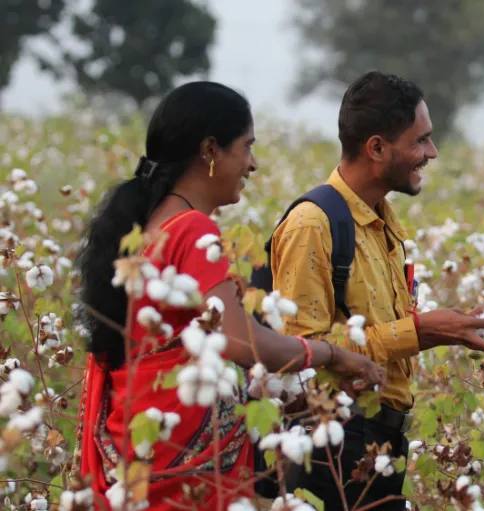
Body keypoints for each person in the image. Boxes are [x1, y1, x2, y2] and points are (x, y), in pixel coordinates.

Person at [76, 81, 385, 511]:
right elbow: (241, 342)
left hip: (142, 453)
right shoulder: (192, 229)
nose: (252, 164)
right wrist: (330, 354)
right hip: (181, 471)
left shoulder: (151, 227)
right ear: (210, 150)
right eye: (246, 147)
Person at [270, 71, 484, 510]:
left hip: (382, 443)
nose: (431, 153)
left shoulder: (382, 221)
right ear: (376, 148)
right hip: (332, 450)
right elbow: (298, 353)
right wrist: (421, 331)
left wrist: (442, 330)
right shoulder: (312, 225)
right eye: (420, 141)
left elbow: (375, 336)